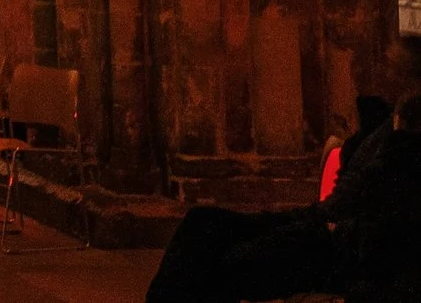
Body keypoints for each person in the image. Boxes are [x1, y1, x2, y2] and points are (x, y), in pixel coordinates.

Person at [147, 36, 421, 303]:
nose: (382, 71)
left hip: (338, 246)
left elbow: (376, 205)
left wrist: (402, 132)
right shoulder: (383, 121)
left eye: (392, 66)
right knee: (200, 221)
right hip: (320, 222)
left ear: (409, 79)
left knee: (226, 262)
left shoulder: (407, 137)